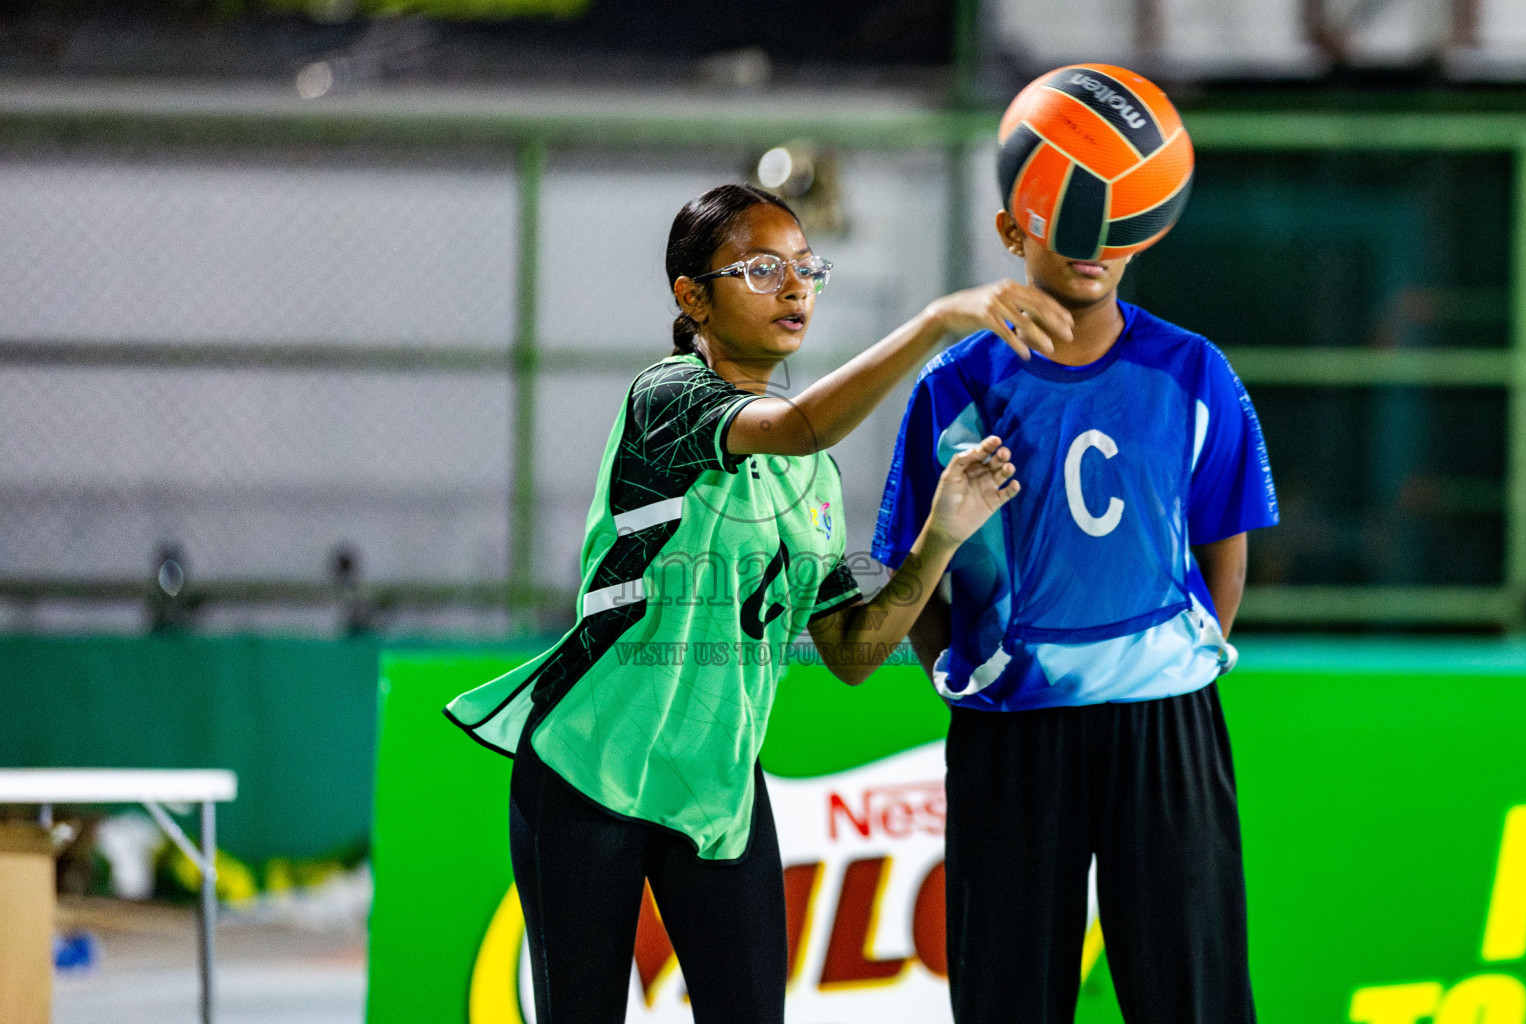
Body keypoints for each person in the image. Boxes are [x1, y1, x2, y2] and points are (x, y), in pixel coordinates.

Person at [444, 182, 1062, 1024]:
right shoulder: (666, 399)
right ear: (691, 297)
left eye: (807, 269)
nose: (796, 287)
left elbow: (850, 652)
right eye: (764, 269)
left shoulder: (811, 473)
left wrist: (940, 538)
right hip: (591, 773)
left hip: (717, 791)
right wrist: (934, 324)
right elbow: (801, 423)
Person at [872, 210, 1280, 1023]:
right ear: (1010, 232)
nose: (1092, 247)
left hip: (1167, 723)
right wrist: (973, 680)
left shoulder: (1194, 370)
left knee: (1193, 993)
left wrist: (1171, 666)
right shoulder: (953, 385)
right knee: (1008, 995)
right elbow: (912, 576)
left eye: (1115, 225)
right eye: (1067, 224)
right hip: (1012, 732)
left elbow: (1225, 553)